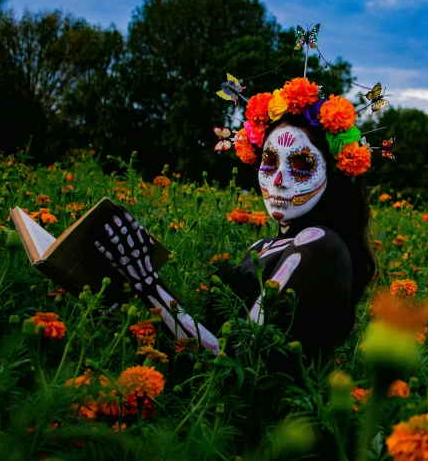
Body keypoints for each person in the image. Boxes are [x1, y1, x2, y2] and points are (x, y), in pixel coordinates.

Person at [93, 77, 377, 363]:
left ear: (332, 172)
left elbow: (237, 361)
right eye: (269, 161)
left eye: (301, 164)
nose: (278, 180)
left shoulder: (318, 243)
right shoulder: (262, 246)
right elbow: (211, 343)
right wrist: (118, 296)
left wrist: (147, 283)